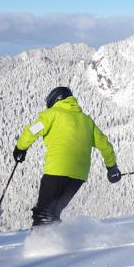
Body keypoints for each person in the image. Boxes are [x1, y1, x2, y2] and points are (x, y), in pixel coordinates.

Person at [12, 86, 122, 226]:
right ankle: (56, 242)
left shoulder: (51, 114)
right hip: (78, 177)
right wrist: (112, 167)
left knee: (43, 213)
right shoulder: (87, 121)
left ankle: (39, 245)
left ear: (54, 100)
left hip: (56, 171)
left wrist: (20, 148)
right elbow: (105, 145)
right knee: (53, 214)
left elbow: (32, 131)